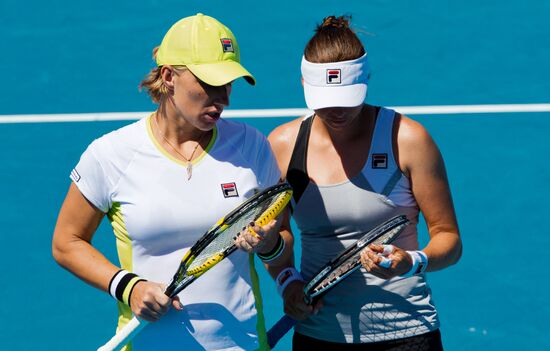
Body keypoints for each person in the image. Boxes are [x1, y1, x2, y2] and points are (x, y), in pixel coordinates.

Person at [52, 13, 291, 351]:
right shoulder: (111, 154)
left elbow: (282, 243)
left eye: (228, 83)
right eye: (208, 83)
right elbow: (66, 241)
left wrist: (269, 246)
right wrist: (128, 287)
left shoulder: (252, 147)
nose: (222, 97)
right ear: (168, 77)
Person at [268, 15, 462, 350]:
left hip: (407, 335)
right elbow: (278, 237)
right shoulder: (283, 146)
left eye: (347, 98)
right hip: (317, 336)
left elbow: (448, 238)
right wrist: (287, 283)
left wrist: (411, 260)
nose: (336, 111)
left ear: (366, 79)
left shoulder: (408, 139)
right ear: (303, 84)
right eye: (325, 100)